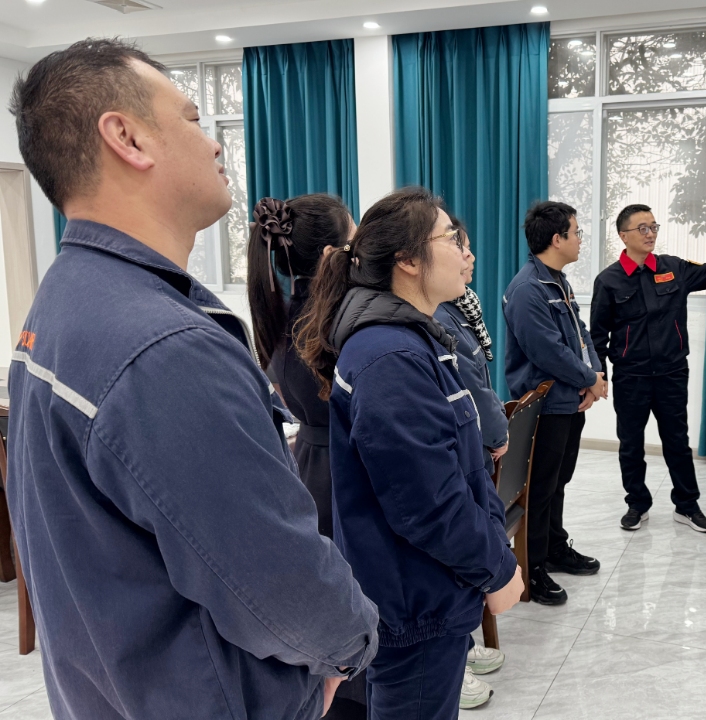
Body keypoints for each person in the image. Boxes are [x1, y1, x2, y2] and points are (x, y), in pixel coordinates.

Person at [6, 39, 377, 720]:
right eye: (193, 118)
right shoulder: (163, 348)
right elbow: (279, 581)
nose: (213, 144)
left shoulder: (64, 300)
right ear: (126, 137)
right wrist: (350, 646)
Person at [295, 187, 525, 720]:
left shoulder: (413, 339)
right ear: (407, 259)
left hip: (429, 590)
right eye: (452, 238)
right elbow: (429, 503)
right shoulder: (390, 356)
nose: (466, 250)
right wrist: (496, 568)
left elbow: (462, 470)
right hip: (416, 603)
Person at [246, 193, 371, 720]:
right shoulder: (334, 326)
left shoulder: (278, 318)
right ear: (329, 256)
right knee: (357, 597)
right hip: (345, 469)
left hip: (311, 467)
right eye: (354, 239)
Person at [590, 204, 706, 533]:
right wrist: (599, 374)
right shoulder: (608, 280)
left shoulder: (674, 268)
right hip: (632, 377)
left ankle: (687, 505)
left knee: (677, 442)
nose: (650, 234)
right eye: (642, 228)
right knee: (631, 444)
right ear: (623, 236)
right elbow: (597, 334)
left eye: (654, 227)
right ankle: (637, 504)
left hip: (671, 373)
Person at [503, 200, 606, 606]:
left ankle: (555, 547)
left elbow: (581, 334)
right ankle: (532, 567)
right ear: (557, 238)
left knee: (558, 481)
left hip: (569, 400)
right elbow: (547, 351)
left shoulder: (556, 281)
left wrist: (595, 375)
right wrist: (589, 379)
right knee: (539, 489)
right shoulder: (528, 289)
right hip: (544, 406)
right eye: (576, 232)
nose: (580, 239)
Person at [433, 214, 511, 710]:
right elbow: (471, 389)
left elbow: (480, 379)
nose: (470, 257)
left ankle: (460, 648)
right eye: (458, 246)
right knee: (451, 559)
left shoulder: (460, 307)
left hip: (473, 440)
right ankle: (453, 661)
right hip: (467, 443)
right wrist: (496, 431)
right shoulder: (436, 319)